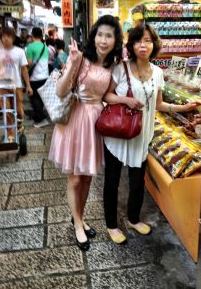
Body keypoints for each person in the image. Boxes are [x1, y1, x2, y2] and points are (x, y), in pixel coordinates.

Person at [103, 24, 200, 244]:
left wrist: (182, 109)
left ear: (154, 44)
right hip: (117, 133)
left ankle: (133, 219)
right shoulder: (121, 68)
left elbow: (159, 105)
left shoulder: (158, 72)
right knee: (112, 181)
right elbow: (107, 96)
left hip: (141, 134)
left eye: (147, 40)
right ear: (132, 45)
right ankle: (111, 224)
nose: (143, 45)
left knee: (138, 183)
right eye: (138, 41)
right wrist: (126, 100)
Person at [48, 15, 123, 251]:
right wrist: (72, 63)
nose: (103, 40)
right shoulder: (81, 58)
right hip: (74, 121)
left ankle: (78, 216)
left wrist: (126, 101)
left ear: (115, 40)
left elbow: (108, 94)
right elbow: (60, 92)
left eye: (109, 35)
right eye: (100, 34)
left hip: (95, 123)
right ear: (94, 36)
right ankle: (78, 224)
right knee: (75, 177)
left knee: (88, 176)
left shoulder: (113, 64)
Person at [0, 27, 33, 142]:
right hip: (2, 86)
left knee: (19, 111)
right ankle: (10, 134)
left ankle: (19, 126)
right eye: (3, 36)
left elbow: (24, 69)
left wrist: (28, 85)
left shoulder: (19, 51)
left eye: (8, 36)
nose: (5, 38)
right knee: (6, 111)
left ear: (13, 38)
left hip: (17, 85)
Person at [26, 27, 50, 128]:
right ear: (41, 35)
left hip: (34, 77)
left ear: (32, 35)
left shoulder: (30, 47)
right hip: (45, 76)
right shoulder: (46, 47)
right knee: (40, 98)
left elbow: (29, 63)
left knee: (33, 98)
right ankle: (38, 117)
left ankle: (42, 118)